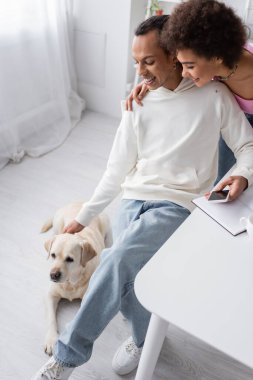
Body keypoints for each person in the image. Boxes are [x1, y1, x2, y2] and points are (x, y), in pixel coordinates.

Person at [32, 15, 253, 380]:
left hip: (176, 204)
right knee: (131, 278)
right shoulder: (139, 103)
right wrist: (86, 216)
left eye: (148, 61)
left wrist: (242, 174)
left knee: (115, 259)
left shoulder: (213, 94)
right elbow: (116, 171)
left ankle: (66, 358)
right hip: (133, 199)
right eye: (136, 62)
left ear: (174, 55)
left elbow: (247, 144)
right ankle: (143, 336)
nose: (140, 72)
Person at [128, 0, 253, 183]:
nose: (184, 73)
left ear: (217, 57)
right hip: (236, 121)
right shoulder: (207, 61)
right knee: (224, 182)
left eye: (189, 66)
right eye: (182, 64)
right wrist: (151, 83)